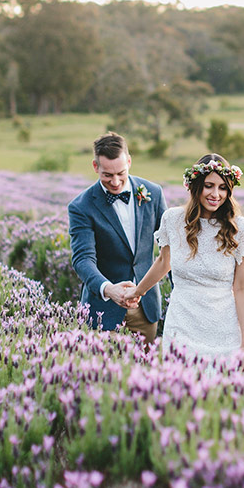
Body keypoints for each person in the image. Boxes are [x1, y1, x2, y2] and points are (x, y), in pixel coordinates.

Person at [126, 153, 244, 363]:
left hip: (223, 326)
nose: (216, 194)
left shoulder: (240, 229)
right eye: (209, 185)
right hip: (182, 321)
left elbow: (241, 287)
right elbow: (163, 262)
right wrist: (137, 291)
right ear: (195, 186)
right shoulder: (173, 220)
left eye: (223, 187)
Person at [68, 132, 166, 340]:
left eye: (121, 173)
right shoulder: (81, 207)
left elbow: (170, 248)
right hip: (102, 309)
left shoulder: (153, 193)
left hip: (146, 307)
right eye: (107, 175)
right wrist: (108, 289)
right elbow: (82, 259)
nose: (115, 182)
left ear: (129, 161)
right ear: (95, 167)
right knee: (103, 372)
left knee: (147, 369)